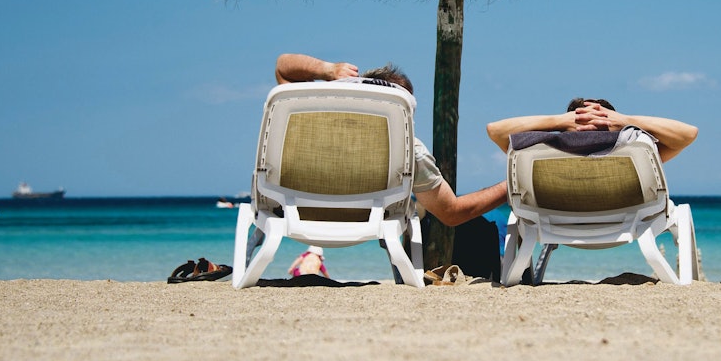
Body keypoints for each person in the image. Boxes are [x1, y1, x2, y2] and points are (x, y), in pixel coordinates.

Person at [274, 53, 508, 227]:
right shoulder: (407, 150)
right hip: (367, 225)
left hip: (297, 215)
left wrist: (328, 70)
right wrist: (511, 186)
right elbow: (452, 212)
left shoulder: (311, 122)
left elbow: (284, 68)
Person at [486, 97, 698, 163]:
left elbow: (496, 131)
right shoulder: (638, 155)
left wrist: (558, 122)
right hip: (626, 220)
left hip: (556, 222)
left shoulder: (540, 154)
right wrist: (625, 121)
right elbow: (688, 134)